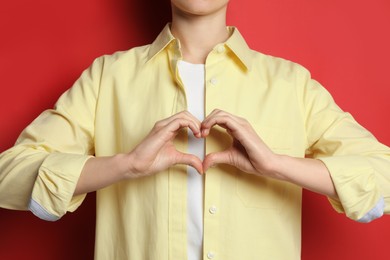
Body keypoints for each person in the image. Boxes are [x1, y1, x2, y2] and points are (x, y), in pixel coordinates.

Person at [1, 0, 390, 259]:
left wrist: (277, 165)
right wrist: (125, 164)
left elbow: (383, 175)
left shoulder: (292, 85)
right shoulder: (109, 78)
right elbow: (9, 174)